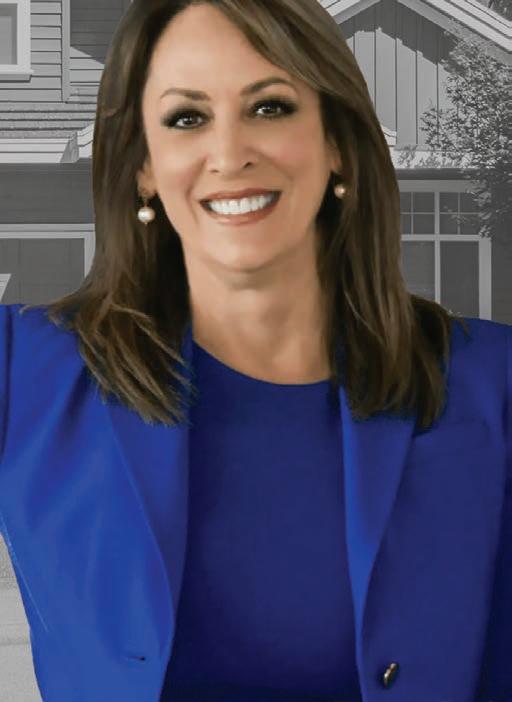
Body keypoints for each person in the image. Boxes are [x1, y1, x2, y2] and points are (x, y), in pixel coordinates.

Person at [0, 1, 510, 700]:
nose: (230, 152)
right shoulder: (24, 372)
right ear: (144, 166)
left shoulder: (490, 382)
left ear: (336, 142)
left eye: (270, 108)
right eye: (187, 118)